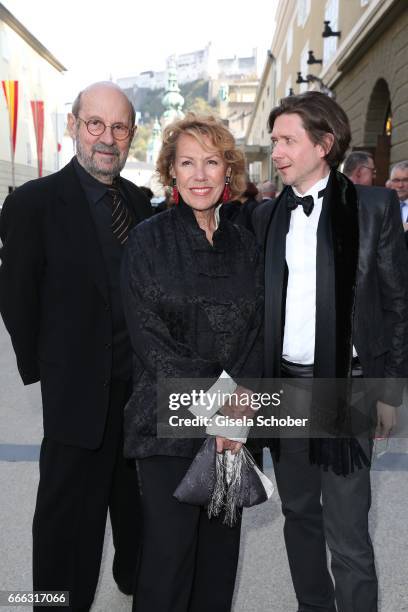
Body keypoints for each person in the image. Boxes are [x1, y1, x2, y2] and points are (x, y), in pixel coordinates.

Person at [252, 91, 408, 612]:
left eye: (287, 141)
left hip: (350, 383)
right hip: (285, 386)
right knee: (299, 514)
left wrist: (389, 391)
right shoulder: (266, 216)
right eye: (274, 141)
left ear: (324, 144)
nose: (276, 152)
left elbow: (398, 303)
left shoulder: (374, 207)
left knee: (347, 528)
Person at [0, 81, 152, 610]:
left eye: (118, 127)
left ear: (131, 135)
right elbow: (16, 296)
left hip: (140, 395)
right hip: (76, 396)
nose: (106, 138)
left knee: (137, 504)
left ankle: (135, 577)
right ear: (73, 126)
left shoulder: (141, 202)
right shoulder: (33, 204)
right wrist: (49, 367)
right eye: (95, 124)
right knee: (68, 517)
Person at [121, 113, 264, 612]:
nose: (200, 174)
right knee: (168, 560)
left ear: (229, 171)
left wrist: (236, 410)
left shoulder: (246, 244)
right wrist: (223, 402)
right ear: (171, 173)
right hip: (168, 423)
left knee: (219, 561)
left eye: (211, 161)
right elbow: (148, 338)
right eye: (187, 163)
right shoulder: (146, 240)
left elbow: (257, 330)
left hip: (234, 428)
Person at [389, 160, 408, 229]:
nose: (400, 185)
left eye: (406, 180)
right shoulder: (383, 206)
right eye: (396, 180)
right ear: (390, 183)